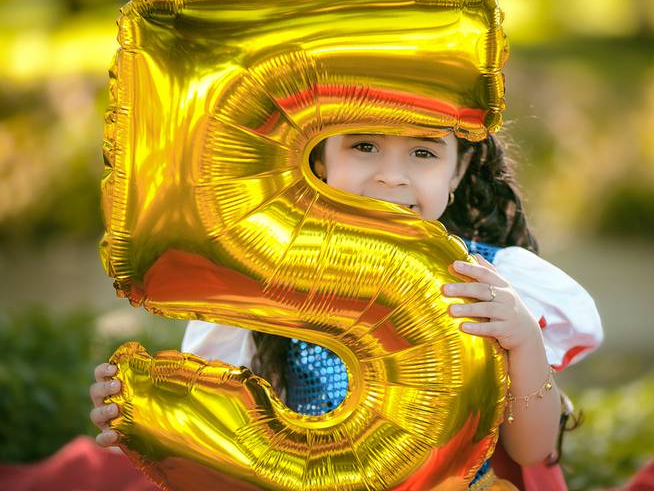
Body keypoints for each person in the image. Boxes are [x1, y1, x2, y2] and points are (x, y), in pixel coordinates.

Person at [90, 131, 603, 490]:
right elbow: (216, 426)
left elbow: (532, 452)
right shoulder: (268, 281)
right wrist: (142, 414)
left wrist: (523, 339)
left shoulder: (487, 280)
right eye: (364, 146)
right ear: (320, 162)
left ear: (458, 170)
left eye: (423, 152)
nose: (390, 177)